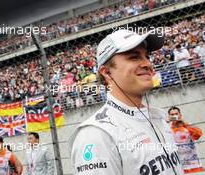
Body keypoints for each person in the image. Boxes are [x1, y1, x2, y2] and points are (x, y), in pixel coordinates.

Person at [68, 29, 184, 175]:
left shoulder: (158, 117)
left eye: (147, 56)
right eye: (134, 57)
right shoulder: (96, 135)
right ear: (107, 72)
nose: (148, 64)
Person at [168, 106, 203, 174]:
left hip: (195, 165)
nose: (175, 116)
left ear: (180, 115)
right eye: (172, 115)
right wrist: (164, 123)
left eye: (176, 114)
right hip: (180, 168)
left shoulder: (187, 126)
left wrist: (185, 124)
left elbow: (198, 134)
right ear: (169, 116)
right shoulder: (168, 129)